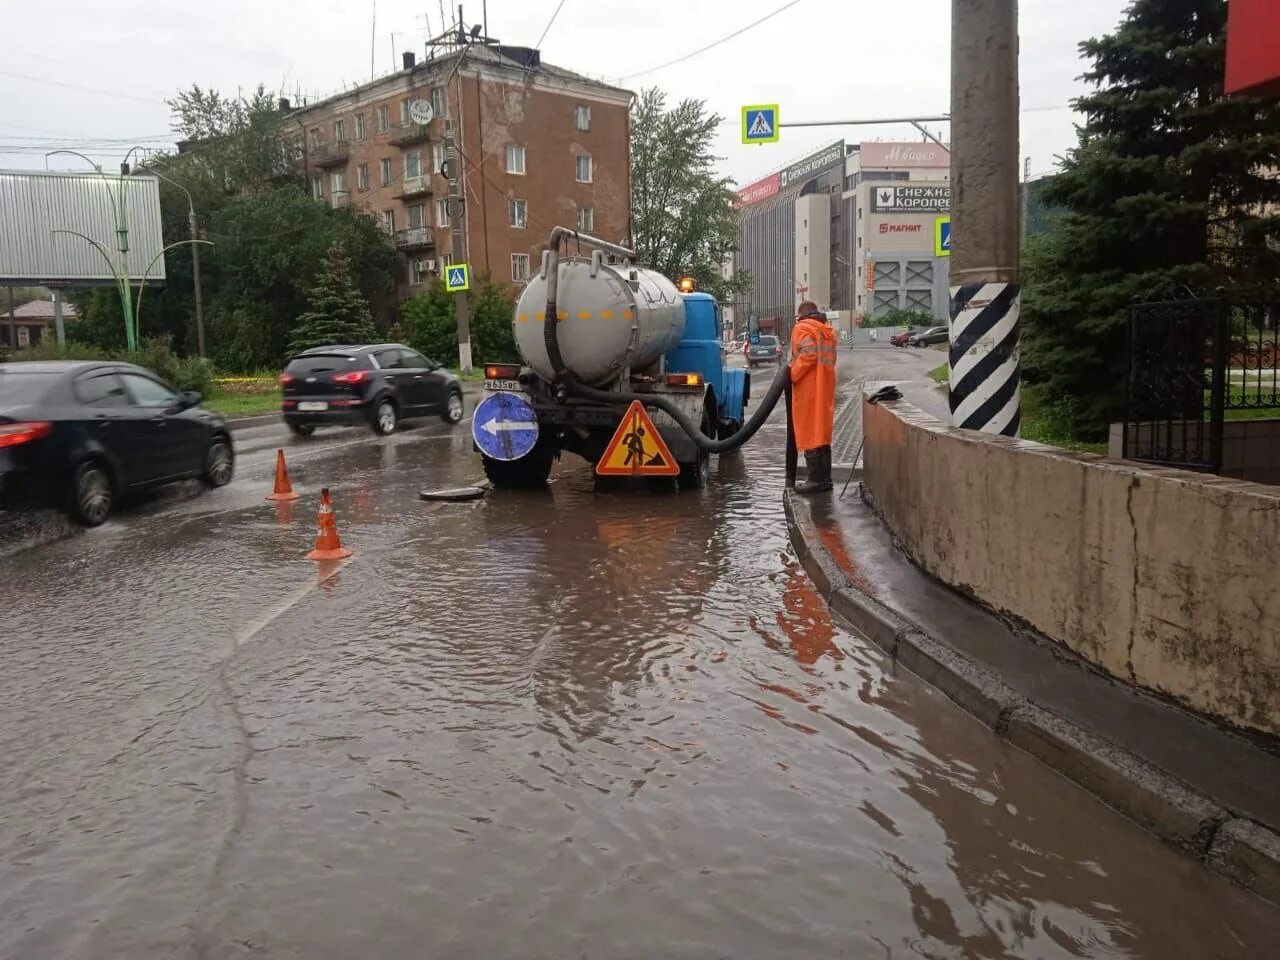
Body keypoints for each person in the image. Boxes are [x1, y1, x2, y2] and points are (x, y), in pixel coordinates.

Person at [789, 301, 839, 494]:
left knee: (810, 430)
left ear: (801, 315)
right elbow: (829, 359)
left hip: (808, 388)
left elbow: (808, 355)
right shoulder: (828, 331)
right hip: (825, 386)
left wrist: (792, 374)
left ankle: (816, 480)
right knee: (822, 432)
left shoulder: (802, 328)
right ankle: (824, 478)